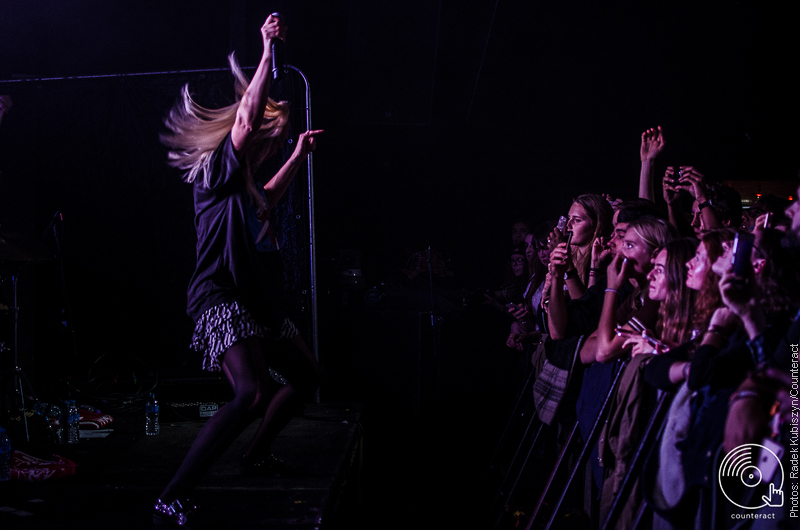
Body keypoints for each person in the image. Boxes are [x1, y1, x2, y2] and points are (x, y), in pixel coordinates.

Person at [154, 14, 322, 525]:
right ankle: (172, 494)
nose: (264, 146)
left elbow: (268, 197)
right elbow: (247, 122)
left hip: (252, 299)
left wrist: (296, 154)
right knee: (250, 392)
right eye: (266, 142)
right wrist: (267, 50)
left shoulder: (246, 187)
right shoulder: (217, 172)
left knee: (305, 376)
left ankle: (254, 455)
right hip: (219, 295)